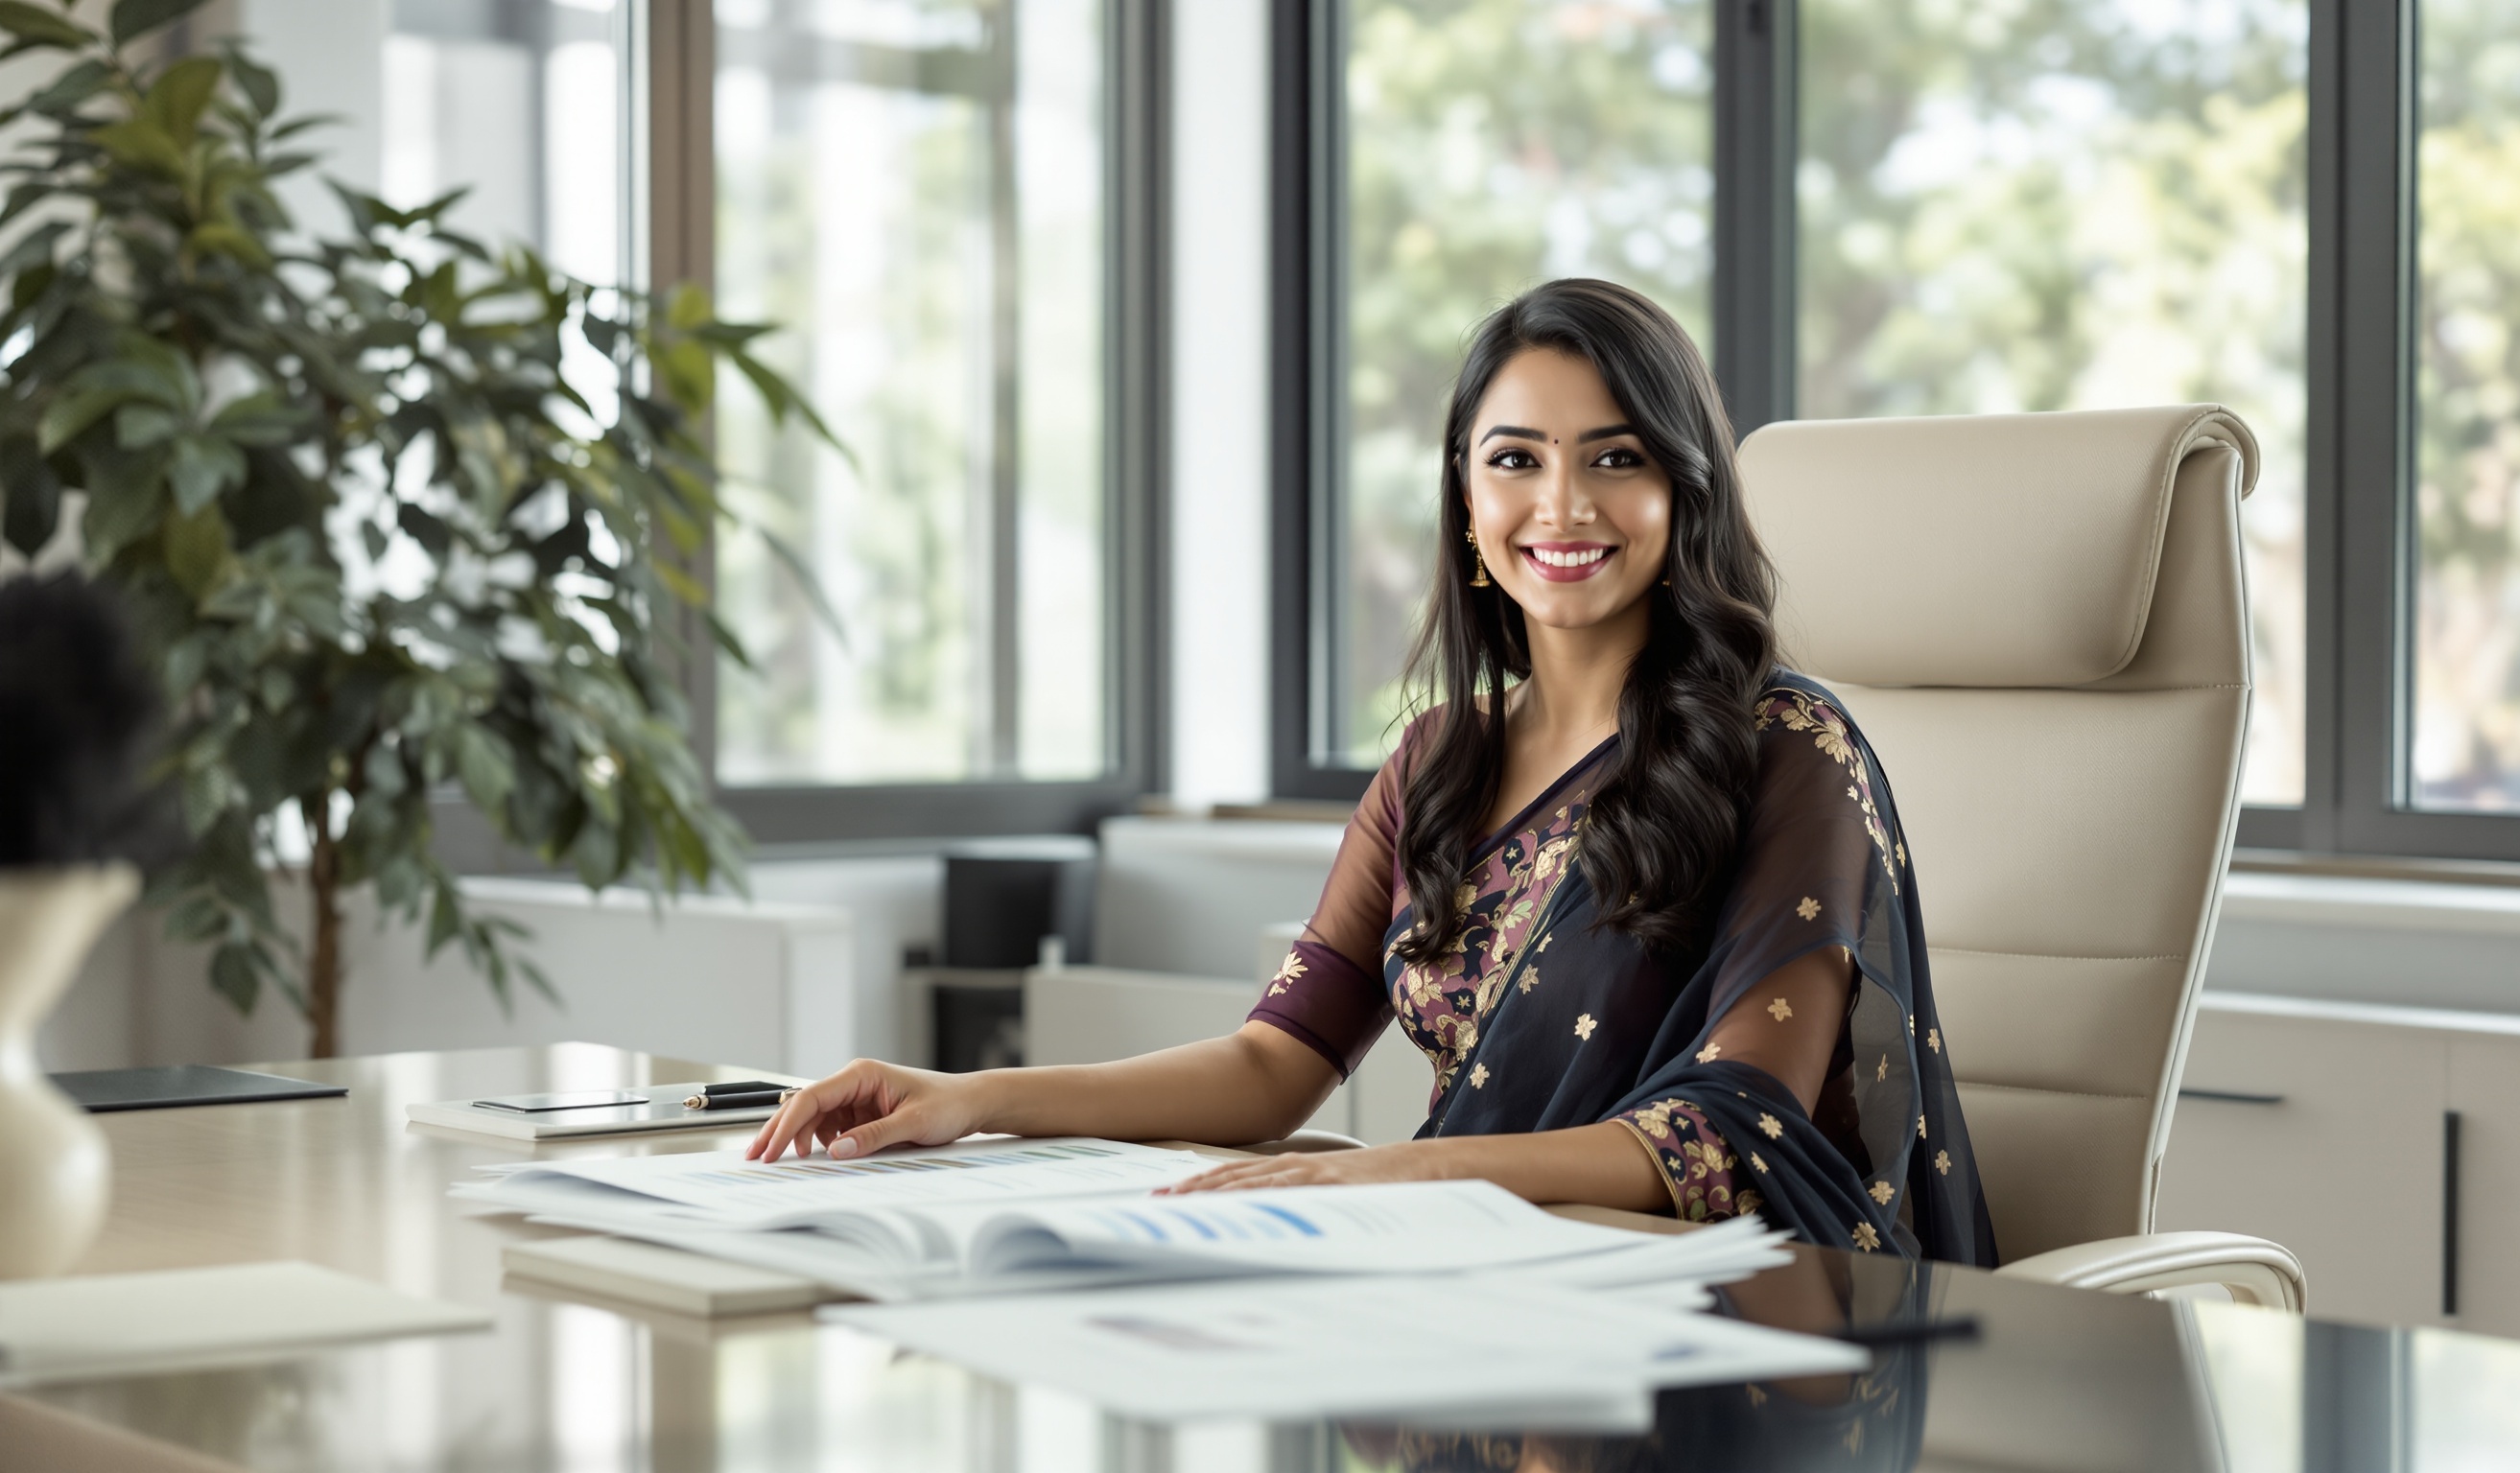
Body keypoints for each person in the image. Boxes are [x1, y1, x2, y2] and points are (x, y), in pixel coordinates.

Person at [751, 278, 1996, 1263]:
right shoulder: (1436, 763)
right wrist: (972, 1098)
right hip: (1469, 1275)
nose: (1561, 505)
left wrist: (1384, 1172)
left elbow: (1733, 1131)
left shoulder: (1786, 750)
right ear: (1465, 502)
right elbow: (1271, 1066)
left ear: (1687, 492)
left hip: (1722, 1323)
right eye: (1515, 459)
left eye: (1616, 459)